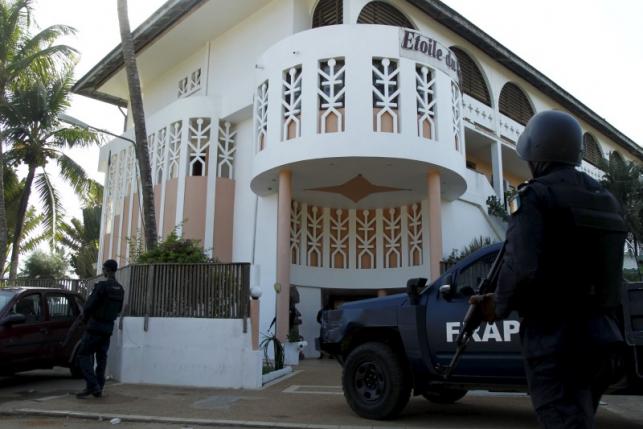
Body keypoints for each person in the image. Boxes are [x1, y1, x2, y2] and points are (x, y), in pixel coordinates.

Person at [470, 110, 627, 428]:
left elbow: (521, 267)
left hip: (556, 342)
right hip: (603, 340)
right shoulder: (605, 198)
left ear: (536, 152)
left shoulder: (533, 197)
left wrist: (495, 306)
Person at [76, 259, 124, 399]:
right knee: (101, 358)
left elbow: (89, 306)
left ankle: (93, 385)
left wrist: (84, 320)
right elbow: (119, 309)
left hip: (95, 327)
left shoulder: (101, 286)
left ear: (107, 270)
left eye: (103, 269)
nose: (102, 271)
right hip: (108, 328)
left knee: (83, 355)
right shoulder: (120, 289)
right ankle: (99, 387)